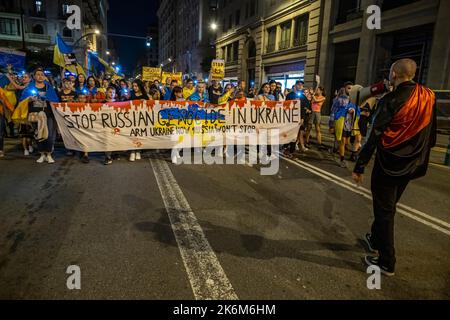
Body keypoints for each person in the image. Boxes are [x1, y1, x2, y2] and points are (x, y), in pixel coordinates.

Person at [353, 59, 436, 277]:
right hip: (413, 164)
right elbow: (432, 133)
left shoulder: (390, 99)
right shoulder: (428, 95)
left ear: (394, 75)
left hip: (389, 165)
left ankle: (387, 261)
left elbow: (373, 136)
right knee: (388, 206)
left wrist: (360, 166)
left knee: (384, 211)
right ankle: (375, 238)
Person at [20, 68, 59, 164]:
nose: (40, 76)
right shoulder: (29, 88)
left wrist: (47, 98)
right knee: (38, 135)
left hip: (48, 114)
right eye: (38, 74)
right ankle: (42, 154)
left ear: (44, 76)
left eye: (42, 74)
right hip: (35, 115)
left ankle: (49, 154)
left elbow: (55, 100)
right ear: (34, 76)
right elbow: (22, 101)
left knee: (49, 135)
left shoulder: (48, 87)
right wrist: (29, 100)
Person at [329, 83, 356, 168]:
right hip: (341, 122)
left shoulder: (354, 100)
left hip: (349, 124)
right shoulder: (339, 99)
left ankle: (335, 148)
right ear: (345, 89)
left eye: (352, 88)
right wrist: (331, 125)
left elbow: (357, 110)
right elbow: (333, 111)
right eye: (348, 88)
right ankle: (342, 159)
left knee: (346, 142)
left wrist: (353, 110)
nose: (350, 90)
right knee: (343, 142)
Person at [129, 79, 149, 162]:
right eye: (133, 86)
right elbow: (126, 103)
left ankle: (138, 151)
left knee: (140, 133)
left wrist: (145, 102)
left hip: (142, 117)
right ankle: (132, 151)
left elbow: (150, 105)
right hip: (132, 117)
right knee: (133, 133)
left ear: (140, 86)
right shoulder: (131, 93)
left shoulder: (145, 95)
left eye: (136, 86)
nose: (134, 88)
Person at [103, 86, 117, 165]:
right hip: (106, 125)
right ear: (106, 93)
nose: (112, 94)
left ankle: (115, 153)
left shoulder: (119, 102)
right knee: (107, 140)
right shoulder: (102, 103)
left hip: (116, 124)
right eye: (110, 92)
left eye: (113, 92)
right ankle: (107, 157)